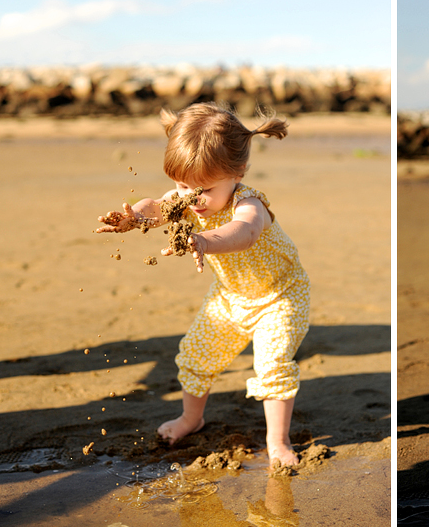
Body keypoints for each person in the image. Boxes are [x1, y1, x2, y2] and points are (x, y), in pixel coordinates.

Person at [95, 102, 309, 468]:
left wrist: (206, 240)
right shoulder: (189, 197)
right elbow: (158, 206)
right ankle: (191, 419)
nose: (193, 199)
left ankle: (277, 440)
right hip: (229, 297)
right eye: (182, 186)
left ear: (238, 171)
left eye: (205, 190)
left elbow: (244, 231)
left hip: (280, 297)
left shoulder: (249, 202)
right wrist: (133, 218)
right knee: (196, 355)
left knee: (271, 365)